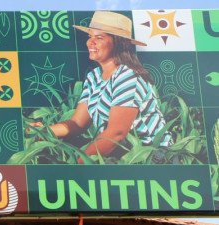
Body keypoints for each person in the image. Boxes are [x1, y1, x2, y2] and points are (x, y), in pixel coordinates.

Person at [36, 10, 169, 160]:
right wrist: (45, 131)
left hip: (150, 156)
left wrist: (79, 164)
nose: (90, 42)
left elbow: (116, 134)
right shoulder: (94, 77)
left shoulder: (128, 77)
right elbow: (77, 123)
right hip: (120, 152)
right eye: (90, 36)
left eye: (99, 38)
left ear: (118, 43)